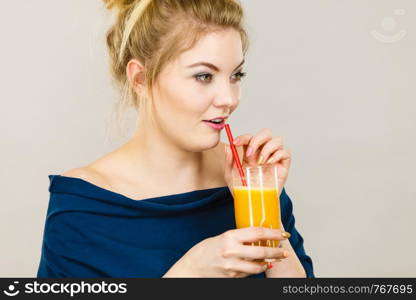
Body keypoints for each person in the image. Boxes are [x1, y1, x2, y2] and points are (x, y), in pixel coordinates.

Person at [37, 0, 314, 278]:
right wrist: (189, 273)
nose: (229, 99)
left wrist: (268, 215)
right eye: (204, 76)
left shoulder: (252, 182)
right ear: (141, 79)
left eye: (236, 75)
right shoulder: (83, 209)